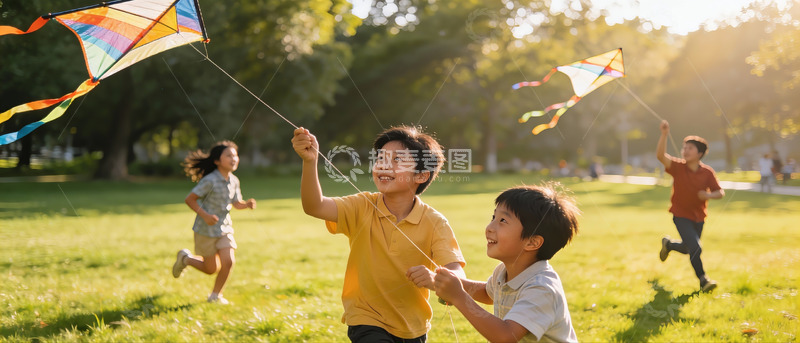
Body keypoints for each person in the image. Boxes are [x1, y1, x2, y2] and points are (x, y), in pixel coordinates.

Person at [292, 125, 466, 342]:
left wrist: (435, 279)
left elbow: (457, 274)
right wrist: (310, 162)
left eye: (397, 160)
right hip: (365, 317)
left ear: (421, 175)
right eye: (381, 158)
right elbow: (314, 206)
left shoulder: (435, 222)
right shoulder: (362, 206)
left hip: (414, 326)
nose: (384, 165)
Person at [418, 184, 579, 342]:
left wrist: (459, 296)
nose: (489, 227)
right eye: (493, 217)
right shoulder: (504, 271)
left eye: (502, 220)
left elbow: (506, 336)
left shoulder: (542, 288)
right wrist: (442, 282)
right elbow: (488, 294)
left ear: (532, 242)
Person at [171, 141, 256, 305]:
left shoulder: (234, 180)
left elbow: (236, 203)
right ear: (217, 161)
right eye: (229, 155)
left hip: (225, 228)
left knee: (229, 261)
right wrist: (206, 215)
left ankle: (215, 296)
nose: (234, 158)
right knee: (210, 269)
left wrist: (246, 205)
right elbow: (190, 200)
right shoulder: (210, 180)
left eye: (235, 155)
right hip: (205, 230)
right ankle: (185, 259)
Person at [656, 120, 724, 292]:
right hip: (680, 214)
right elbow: (660, 156)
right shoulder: (678, 167)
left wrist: (708, 195)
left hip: (699, 216)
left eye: (690, 148)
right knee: (695, 247)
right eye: (684, 148)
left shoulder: (707, 172)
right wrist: (664, 134)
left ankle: (669, 244)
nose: (685, 151)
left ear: (700, 153)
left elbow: (720, 192)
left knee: (688, 248)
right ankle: (704, 280)